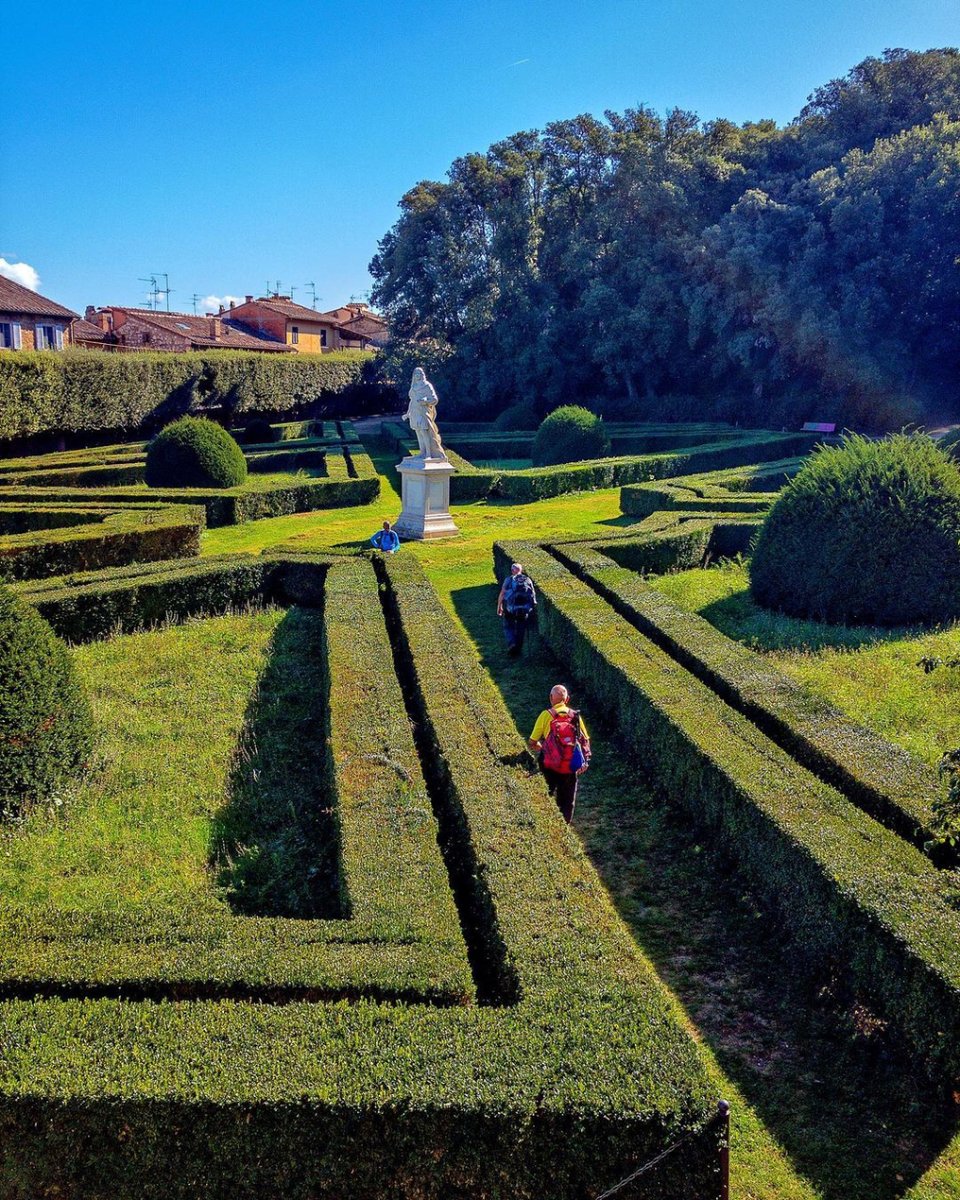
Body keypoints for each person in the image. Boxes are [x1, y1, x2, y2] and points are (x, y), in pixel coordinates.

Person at [528, 684, 591, 824]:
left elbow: (532, 742)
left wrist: (544, 748)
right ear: (567, 699)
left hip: (549, 764)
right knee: (567, 801)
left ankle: (543, 824)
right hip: (569, 764)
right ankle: (564, 828)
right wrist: (585, 761)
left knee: (545, 794)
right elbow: (585, 739)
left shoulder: (546, 715)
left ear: (551, 698)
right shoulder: (575, 716)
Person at [403, 367, 446, 460]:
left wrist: (425, 400)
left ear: (422, 374)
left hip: (423, 412)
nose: (417, 375)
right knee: (418, 432)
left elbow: (434, 399)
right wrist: (407, 414)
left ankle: (428, 454)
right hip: (415, 412)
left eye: (419, 373)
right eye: (416, 374)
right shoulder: (413, 386)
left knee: (424, 432)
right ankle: (422, 452)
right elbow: (412, 401)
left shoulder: (427, 385)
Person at [497, 562, 536, 657]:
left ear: (512, 570)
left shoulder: (509, 579)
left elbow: (502, 593)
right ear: (521, 570)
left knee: (508, 625)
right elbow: (533, 596)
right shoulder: (527, 579)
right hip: (524, 609)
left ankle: (512, 644)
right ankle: (518, 649)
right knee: (521, 628)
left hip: (511, 608)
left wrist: (499, 606)